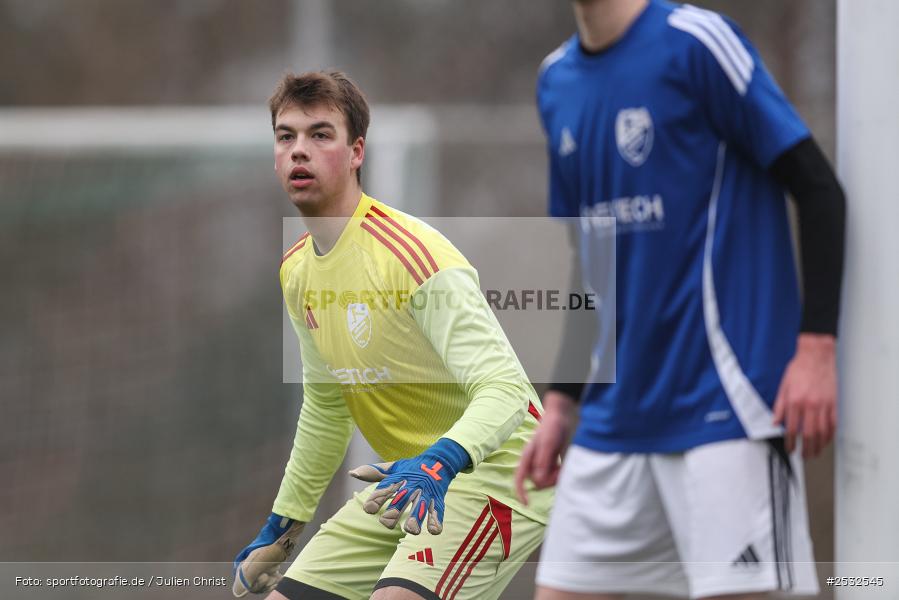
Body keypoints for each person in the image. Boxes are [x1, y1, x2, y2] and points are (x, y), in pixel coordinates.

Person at [515, 0, 845, 598]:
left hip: (725, 414)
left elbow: (819, 190)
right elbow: (588, 260)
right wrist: (561, 402)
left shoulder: (696, 43)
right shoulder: (555, 80)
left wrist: (817, 347)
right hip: (613, 423)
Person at [232, 70, 552, 600]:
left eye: (320, 135)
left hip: (496, 476)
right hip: (407, 482)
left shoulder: (412, 256)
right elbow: (328, 406)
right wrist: (284, 527)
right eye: (286, 136)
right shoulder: (297, 270)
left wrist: (440, 461)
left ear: (357, 152)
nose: (299, 151)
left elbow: (507, 391)